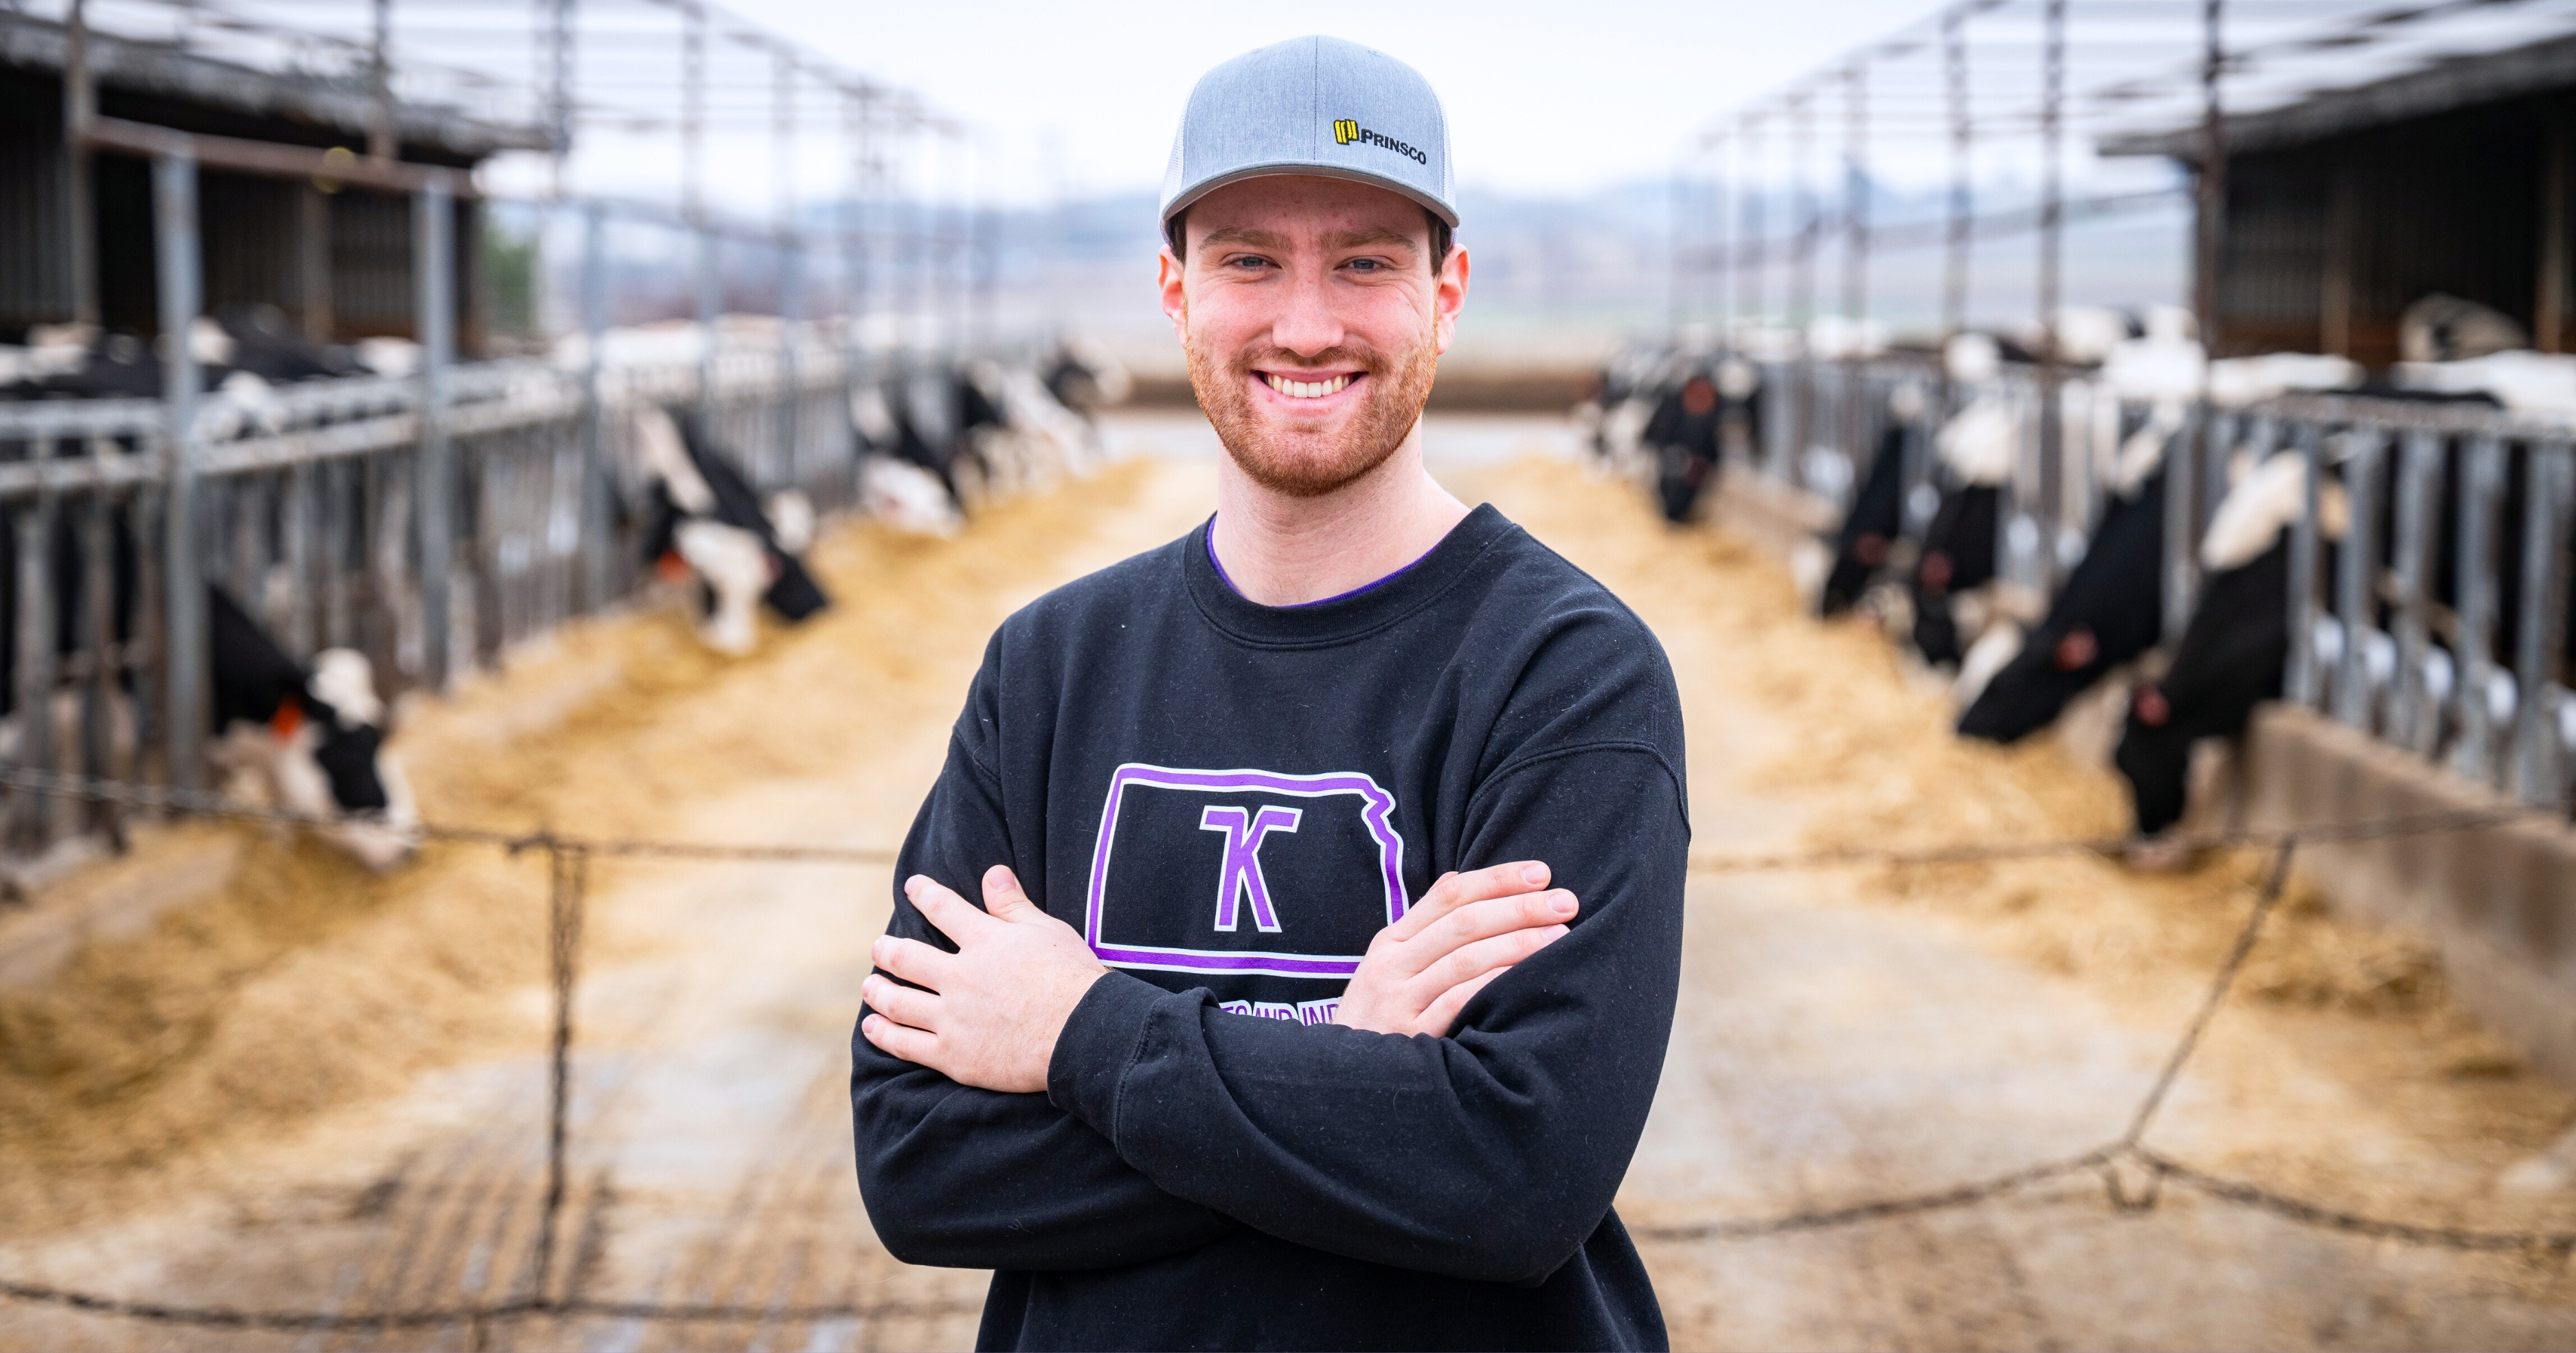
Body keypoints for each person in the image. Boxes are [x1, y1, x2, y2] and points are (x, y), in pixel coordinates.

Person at [850, 35, 1688, 1352]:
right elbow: (920, 1162)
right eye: (1249, 260)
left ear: (1446, 291)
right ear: (1176, 290)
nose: (1306, 323)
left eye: (1364, 260)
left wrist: (1078, 1034)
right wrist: (1347, 1075)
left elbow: (1516, 1173)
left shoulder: (1566, 671)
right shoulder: (1051, 667)